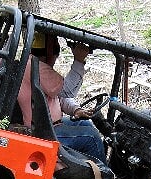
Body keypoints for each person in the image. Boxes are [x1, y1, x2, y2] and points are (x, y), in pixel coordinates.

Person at [17, 33, 106, 163]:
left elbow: (58, 96)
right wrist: (79, 60)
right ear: (50, 51)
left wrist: (76, 110)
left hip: (49, 125)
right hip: (43, 132)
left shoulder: (34, 65)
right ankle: (104, 178)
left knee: (86, 124)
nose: (56, 58)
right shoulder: (36, 67)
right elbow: (68, 90)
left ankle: (81, 166)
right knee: (92, 137)